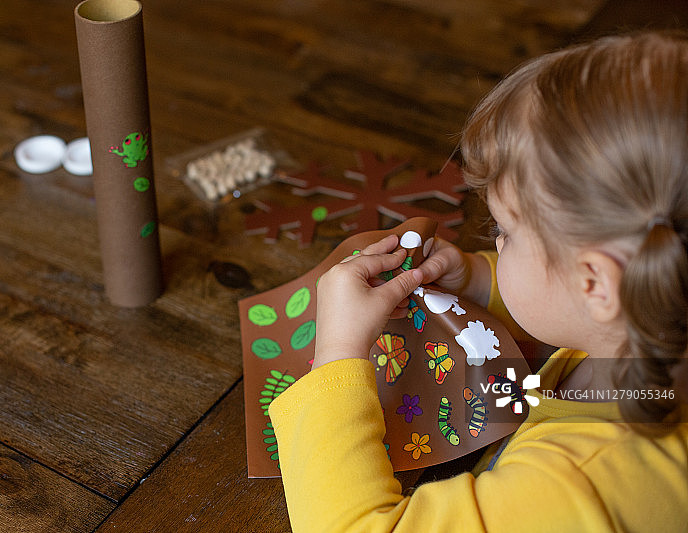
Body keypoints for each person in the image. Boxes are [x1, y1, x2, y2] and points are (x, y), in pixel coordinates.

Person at [269, 31, 688, 532]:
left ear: (595, 283)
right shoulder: (654, 323)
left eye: (504, 233)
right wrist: (476, 279)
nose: (495, 243)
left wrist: (339, 353)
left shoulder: (574, 485)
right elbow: (570, 309)